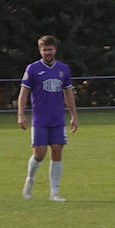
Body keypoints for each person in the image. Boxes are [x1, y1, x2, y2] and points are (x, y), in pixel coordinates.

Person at [17, 34, 78, 201]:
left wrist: (74, 115)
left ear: (55, 50)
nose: (48, 52)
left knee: (57, 152)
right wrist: (21, 115)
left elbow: (68, 93)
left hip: (57, 118)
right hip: (40, 119)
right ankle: (30, 179)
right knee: (39, 154)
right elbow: (24, 93)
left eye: (50, 49)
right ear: (40, 50)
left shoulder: (63, 69)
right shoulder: (33, 69)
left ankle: (54, 193)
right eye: (45, 50)